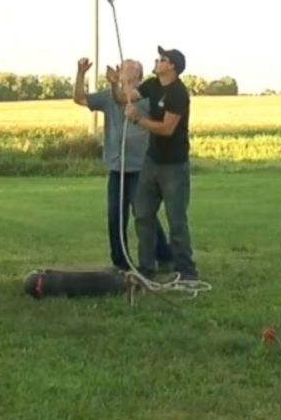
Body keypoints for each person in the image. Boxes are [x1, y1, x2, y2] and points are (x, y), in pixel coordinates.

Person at [74, 57, 173, 272]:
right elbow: (79, 99)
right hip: (116, 168)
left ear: (137, 75)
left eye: (125, 68)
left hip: (140, 167)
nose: (120, 70)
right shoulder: (110, 96)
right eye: (120, 68)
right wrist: (81, 73)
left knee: (143, 214)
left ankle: (165, 255)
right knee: (114, 216)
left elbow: (159, 119)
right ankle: (121, 263)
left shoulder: (146, 97)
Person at [126, 46, 198, 281]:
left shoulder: (178, 93)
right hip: (152, 161)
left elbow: (167, 129)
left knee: (176, 221)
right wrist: (119, 83)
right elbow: (125, 97)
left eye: (162, 59)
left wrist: (138, 118)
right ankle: (146, 270)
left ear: (172, 67)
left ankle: (187, 273)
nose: (156, 61)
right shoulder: (152, 84)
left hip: (174, 166)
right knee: (143, 215)